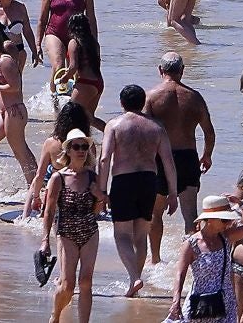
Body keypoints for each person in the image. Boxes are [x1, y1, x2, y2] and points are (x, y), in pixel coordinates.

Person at [99, 84, 177, 297]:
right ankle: (135, 279)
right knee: (141, 234)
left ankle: (134, 278)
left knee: (122, 234)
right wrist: (172, 192)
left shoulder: (114, 125)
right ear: (143, 103)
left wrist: (101, 190)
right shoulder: (156, 127)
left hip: (123, 181)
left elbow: (105, 158)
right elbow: (168, 161)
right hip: (148, 181)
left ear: (121, 103)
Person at [147, 52, 216, 259]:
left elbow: (145, 131)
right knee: (190, 216)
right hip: (188, 158)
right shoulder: (194, 97)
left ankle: (156, 259)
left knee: (155, 213)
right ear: (182, 71)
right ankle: (192, 261)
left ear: (161, 70)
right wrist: (207, 155)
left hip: (160, 158)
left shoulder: (152, 96)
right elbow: (209, 132)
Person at [40, 129, 102, 323]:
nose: (81, 150)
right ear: (68, 150)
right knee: (67, 285)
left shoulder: (92, 177)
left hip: (90, 231)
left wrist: (99, 196)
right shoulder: (58, 178)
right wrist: (45, 241)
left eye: (84, 147)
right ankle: (55, 316)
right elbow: (49, 211)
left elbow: (98, 210)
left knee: (86, 281)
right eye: (76, 146)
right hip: (66, 233)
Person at [169, 194, 243, 323]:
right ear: (210, 219)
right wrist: (176, 301)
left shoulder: (226, 238)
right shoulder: (191, 244)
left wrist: (241, 203)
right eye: (225, 220)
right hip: (200, 303)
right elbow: (180, 273)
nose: (229, 223)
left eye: (229, 219)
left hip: (225, 302)